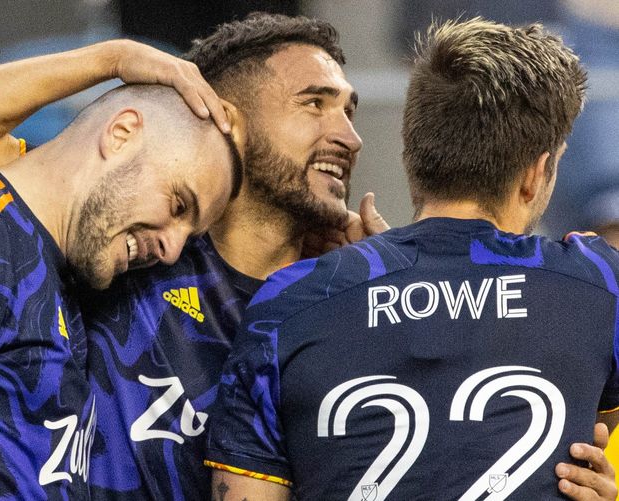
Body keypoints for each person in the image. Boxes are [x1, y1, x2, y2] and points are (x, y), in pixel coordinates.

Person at [0, 13, 613, 501]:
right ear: (223, 114)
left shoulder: (339, 302)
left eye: (353, 111)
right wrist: (112, 60)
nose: (350, 136)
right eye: (315, 103)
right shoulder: (129, 243)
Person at [205, 17, 619, 500]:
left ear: (412, 154)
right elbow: (596, 435)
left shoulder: (286, 304)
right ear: (538, 172)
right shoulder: (597, 284)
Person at [0, 84, 240, 500]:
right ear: (121, 134)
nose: (172, 248)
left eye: (188, 234)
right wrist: (115, 58)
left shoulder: (50, 259)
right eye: (178, 205)